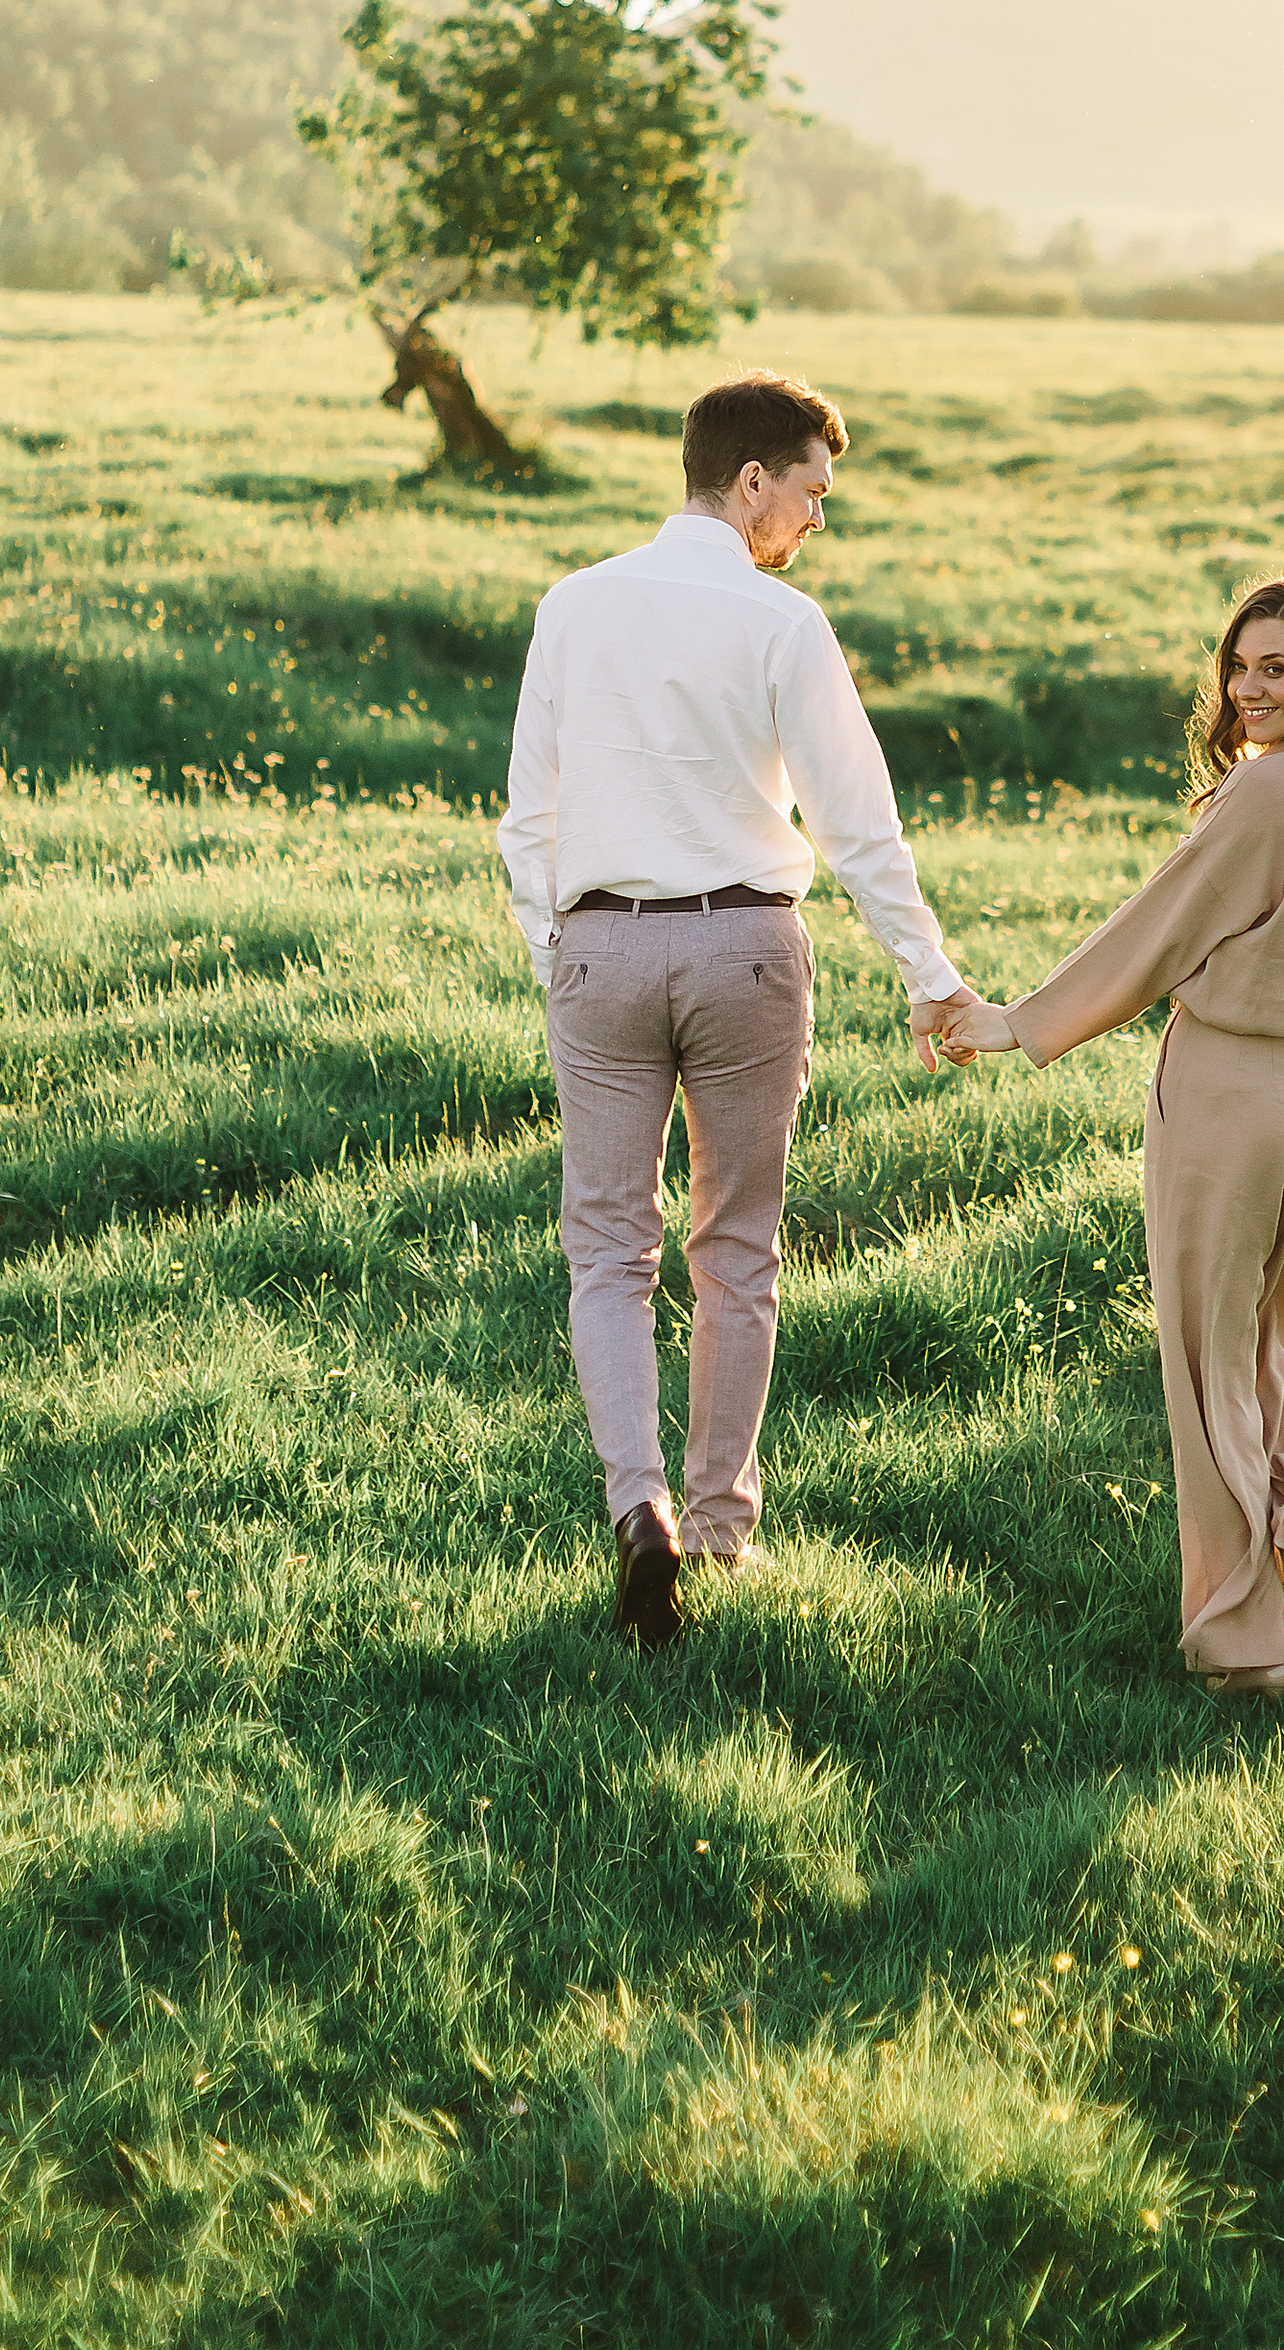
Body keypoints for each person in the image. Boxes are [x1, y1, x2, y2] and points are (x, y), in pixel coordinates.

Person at [498, 368, 970, 1647]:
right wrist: (930, 978)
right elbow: (857, 821)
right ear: (750, 480)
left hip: (600, 946)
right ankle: (717, 1530)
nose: (816, 520)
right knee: (736, 1246)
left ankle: (634, 1505)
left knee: (607, 1247)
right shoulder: (782, 625)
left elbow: (526, 807)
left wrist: (558, 946)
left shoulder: (575, 605)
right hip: (748, 950)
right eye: (812, 492)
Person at [938, 578, 1284, 1696]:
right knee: (1267, 1335)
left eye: (1276, 671)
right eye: (1239, 667)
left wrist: (1020, 1022)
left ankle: (1241, 1641)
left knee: (1207, 1358)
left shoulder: (1264, 797)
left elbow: (1154, 930)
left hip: (1232, 1092)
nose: (1247, 691)